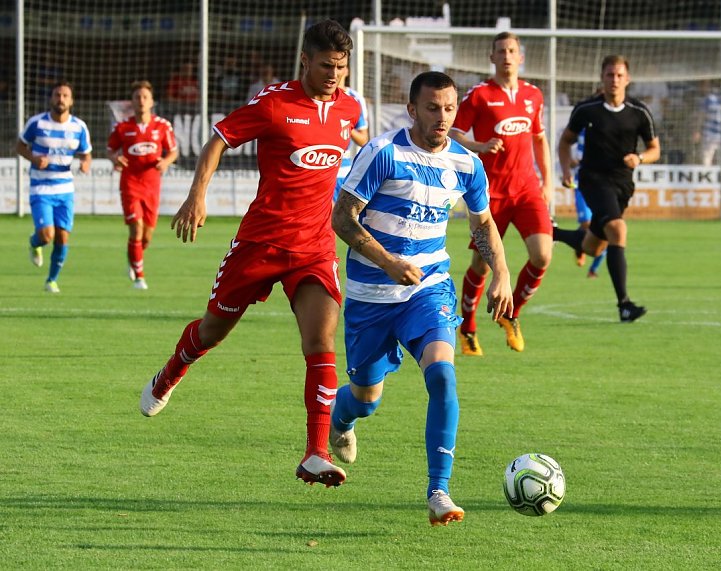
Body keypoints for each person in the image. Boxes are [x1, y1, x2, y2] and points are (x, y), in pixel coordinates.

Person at [138, 20, 362, 488]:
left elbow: (357, 138)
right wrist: (197, 195)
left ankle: (316, 452)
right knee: (213, 329)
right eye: (326, 66)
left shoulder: (348, 107)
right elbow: (218, 138)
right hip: (261, 242)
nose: (334, 75)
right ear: (305, 60)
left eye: (341, 67)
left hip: (315, 247)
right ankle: (171, 372)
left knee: (322, 342)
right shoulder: (275, 103)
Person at [329, 71, 513, 525]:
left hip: (428, 290)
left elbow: (483, 224)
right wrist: (390, 262)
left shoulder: (467, 164)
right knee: (366, 397)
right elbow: (343, 219)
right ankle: (342, 416)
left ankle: (439, 491)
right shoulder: (382, 153)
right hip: (372, 297)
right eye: (432, 108)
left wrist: (502, 274)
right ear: (412, 110)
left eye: (449, 108)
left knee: (443, 377)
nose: (442, 117)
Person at [449, 31, 553, 355]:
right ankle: (467, 328)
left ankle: (511, 314)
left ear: (520, 57)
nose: (507, 56)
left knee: (542, 255)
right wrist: (480, 146)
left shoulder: (534, 95)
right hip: (490, 192)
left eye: (512, 50)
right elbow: (453, 134)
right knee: (482, 266)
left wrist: (548, 181)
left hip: (526, 190)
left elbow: (539, 139)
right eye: (500, 51)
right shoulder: (479, 95)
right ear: (491, 58)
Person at [554, 55, 660, 322]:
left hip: (623, 183)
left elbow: (654, 148)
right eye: (610, 75)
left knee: (594, 247)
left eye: (619, 75)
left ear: (628, 79)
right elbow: (565, 141)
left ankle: (550, 231)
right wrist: (566, 169)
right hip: (593, 179)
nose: (614, 80)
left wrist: (640, 158)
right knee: (618, 228)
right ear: (602, 78)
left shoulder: (639, 111)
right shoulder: (587, 109)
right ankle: (624, 304)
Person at [17, 81, 92, 293]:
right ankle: (34, 243)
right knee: (46, 235)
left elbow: (86, 153)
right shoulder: (37, 123)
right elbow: (20, 145)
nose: (61, 99)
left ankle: (51, 280)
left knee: (62, 237)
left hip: (65, 190)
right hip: (40, 188)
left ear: (71, 100)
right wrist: (33, 157)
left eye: (65, 95)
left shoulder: (79, 127)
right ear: (51, 98)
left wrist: (86, 163)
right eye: (57, 95)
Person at [107, 80, 179, 290]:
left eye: (145, 97)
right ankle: (139, 276)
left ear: (152, 101)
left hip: (152, 185)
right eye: (137, 97)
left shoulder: (162, 126)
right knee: (136, 229)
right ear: (132, 101)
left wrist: (165, 161)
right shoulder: (122, 127)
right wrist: (115, 159)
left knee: (146, 235)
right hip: (130, 183)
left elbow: (173, 151)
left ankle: (134, 257)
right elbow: (110, 150)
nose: (141, 101)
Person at [559, 130, 606, 279]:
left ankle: (593, 269)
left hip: (602, 188)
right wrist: (571, 163)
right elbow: (564, 143)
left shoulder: (606, 129)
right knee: (587, 226)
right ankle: (579, 245)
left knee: (606, 232)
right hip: (582, 186)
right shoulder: (581, 126)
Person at [334, 66, 369, 198]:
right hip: (319, 170)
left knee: (338, 217)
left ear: (347, 70)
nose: (336, 72)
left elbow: (364, 140)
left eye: (340, 67)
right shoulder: (321, 96)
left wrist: (346, 124)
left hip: (343, 170)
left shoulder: (355, 99)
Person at [694, 79, 721, 166]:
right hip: (709, 134)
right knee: (706, 161)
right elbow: (701, 115)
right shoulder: (710, 98)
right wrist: (697, 130)